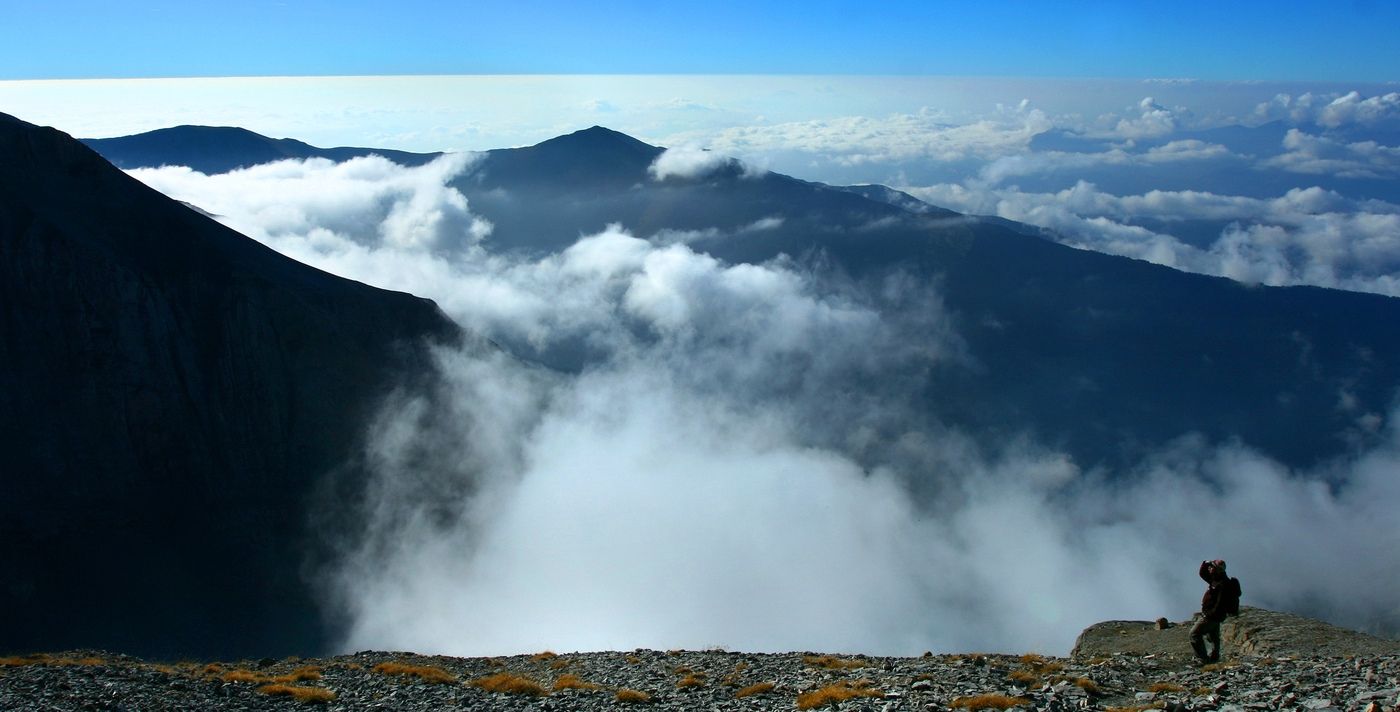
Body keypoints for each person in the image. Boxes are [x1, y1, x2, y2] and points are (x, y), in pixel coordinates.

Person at [1190, 559, 1242, 663]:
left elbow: (1220, 603)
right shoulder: (1216, 579)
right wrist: (1206, 563)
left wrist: (1210, 614)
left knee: (1194, 634)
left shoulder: (1222, 584)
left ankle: (1201, 659)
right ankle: (1213, 659)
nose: (1210, 568)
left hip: (1212, 616)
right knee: (1213, 638)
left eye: (1212, 567)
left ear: (1217, 570)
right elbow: (1203, 573)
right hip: (1216, 616)